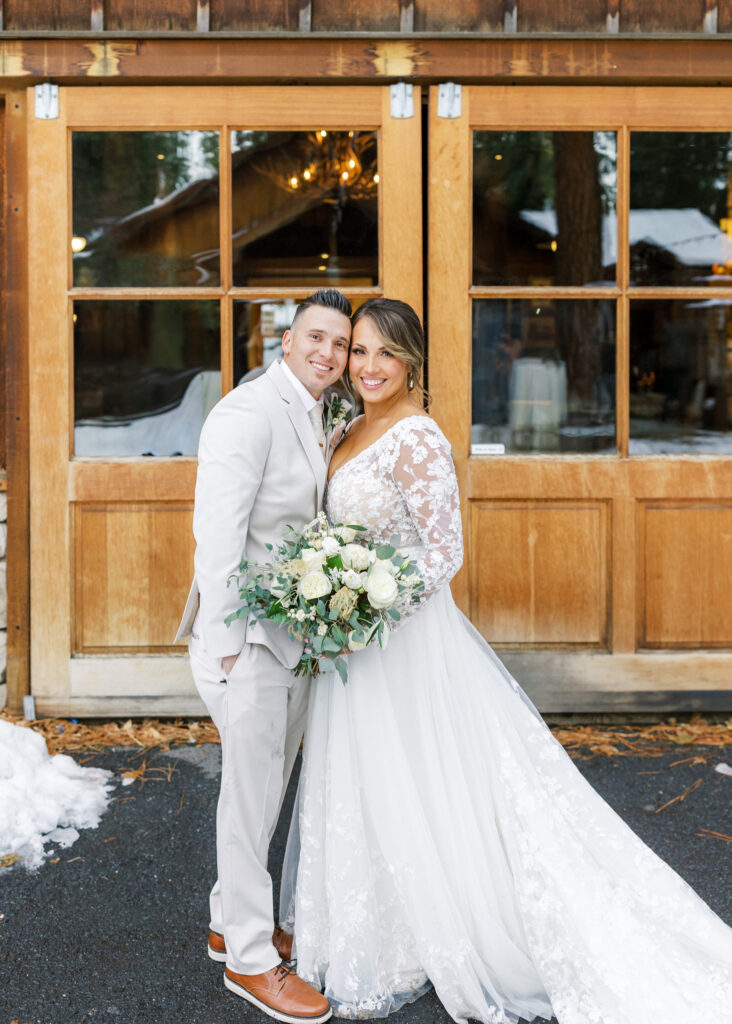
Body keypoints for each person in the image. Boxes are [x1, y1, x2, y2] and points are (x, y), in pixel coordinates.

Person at [279, 297, 732, 1024]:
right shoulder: (346, 425)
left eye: (384, 354)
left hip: (401, 642)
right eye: (358, 351)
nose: (367, 367)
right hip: (353, 646)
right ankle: (387, 931)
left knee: (425, 779)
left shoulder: (417, 437)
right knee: (369, 779)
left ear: (411, 364)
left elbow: (444, 551)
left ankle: (456, 928)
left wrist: (369, 605)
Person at [175, 289, 352, 1024]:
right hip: (245, 641)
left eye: (340, 344)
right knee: (247, 801)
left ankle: (228, 920)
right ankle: (251, 960)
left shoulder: (319, 413)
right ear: (287, 340)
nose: (328, 353)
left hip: (294, 637)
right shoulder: (248, 413)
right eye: (316, 337)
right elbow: (217, 538)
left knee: (269, 788)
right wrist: (225, 651)